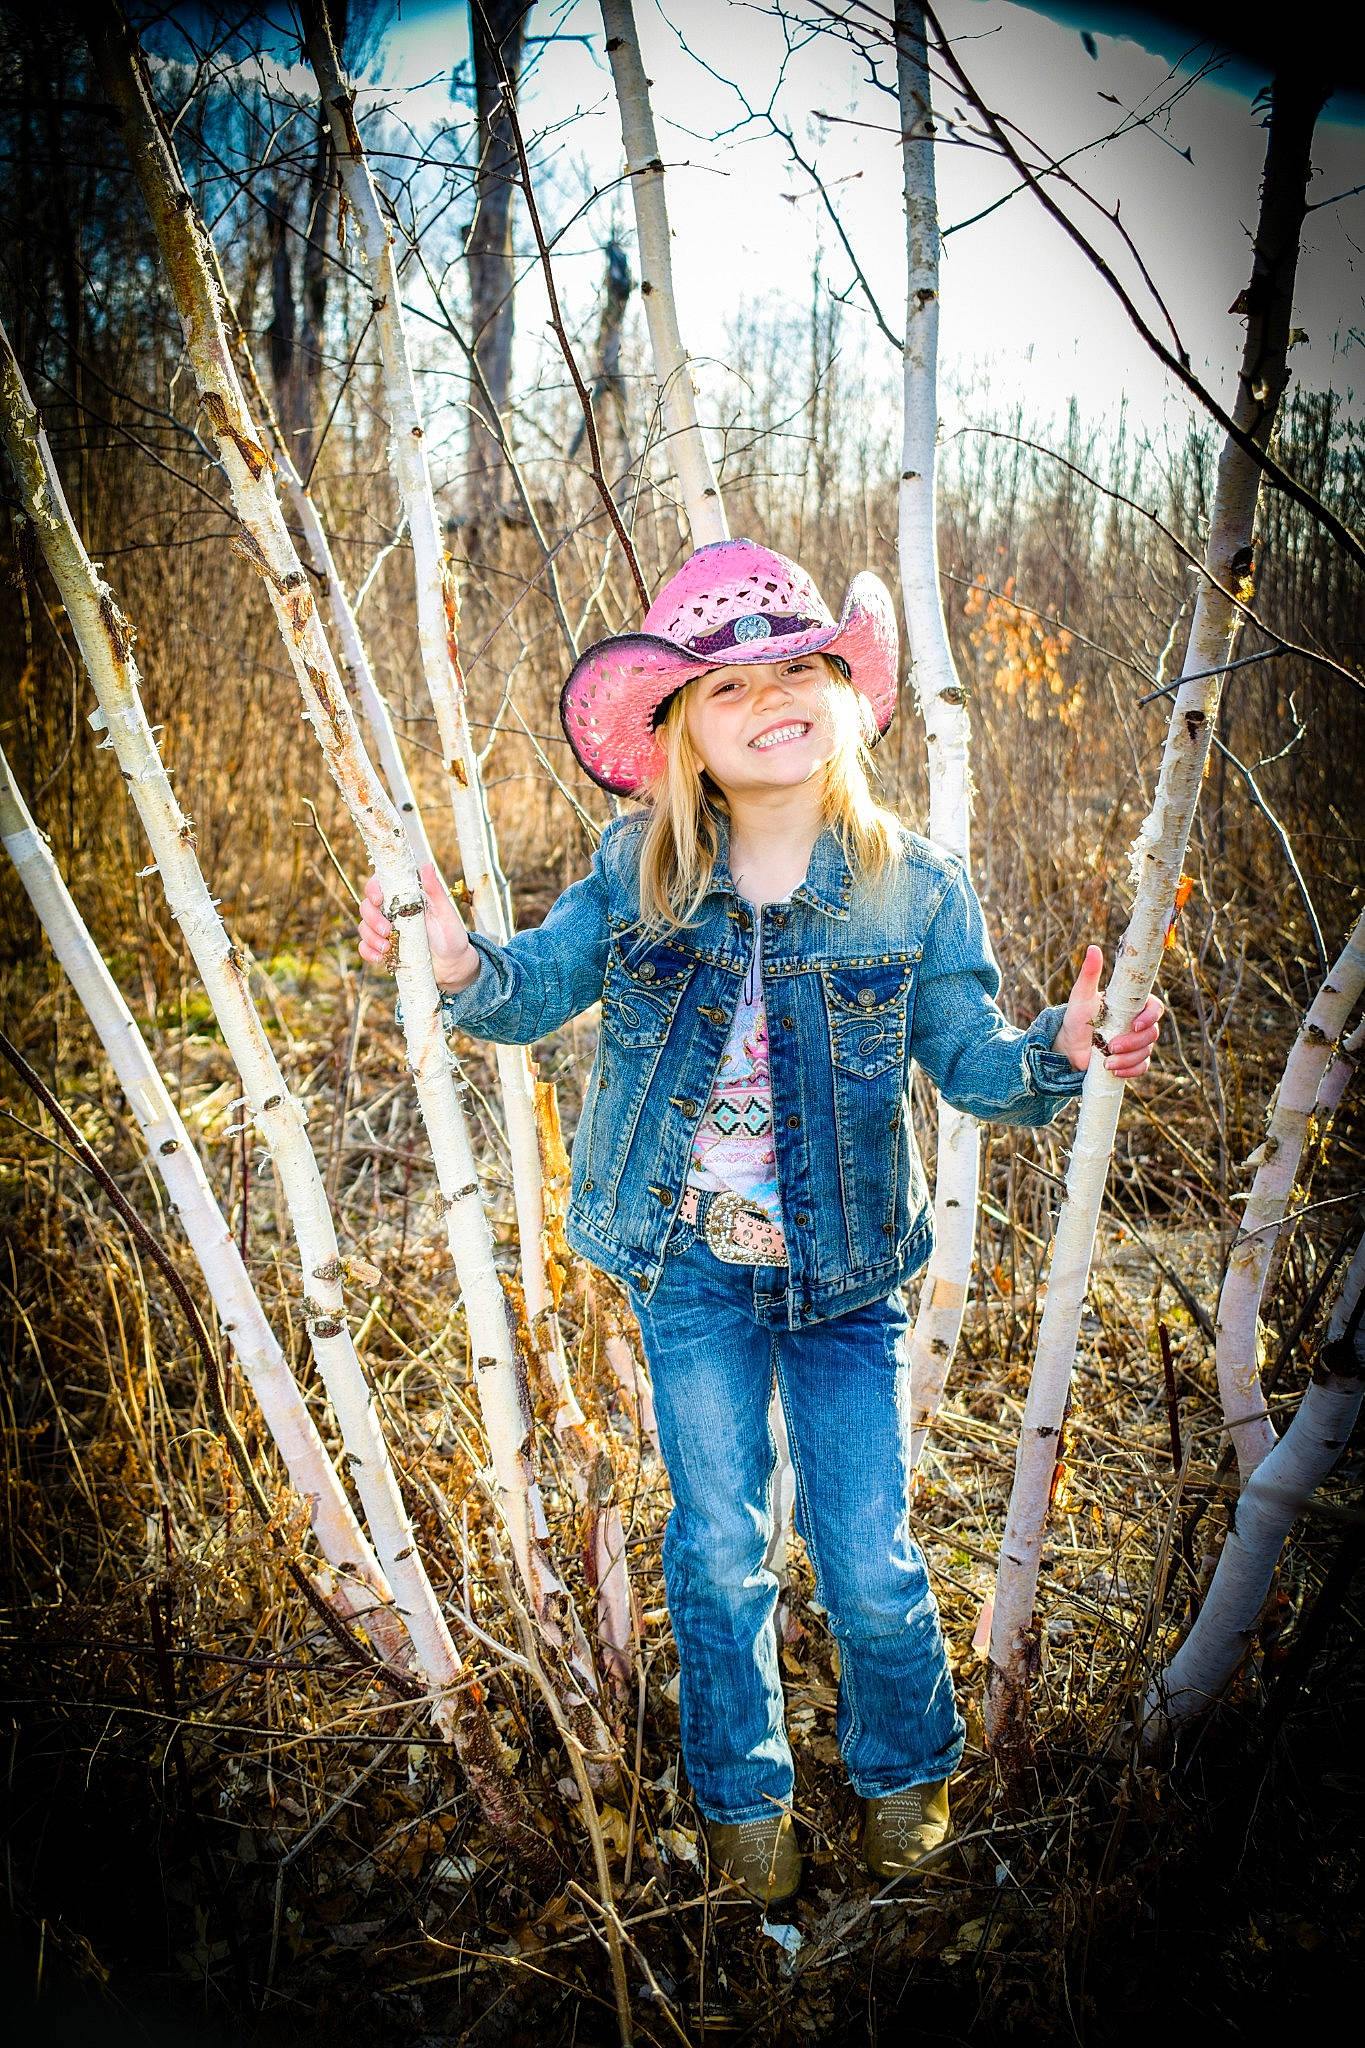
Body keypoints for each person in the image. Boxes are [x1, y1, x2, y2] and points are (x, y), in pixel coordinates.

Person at [357, 540, 1162, 1907]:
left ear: (846, 694)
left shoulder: (914, 885)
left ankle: (905, 1780)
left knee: (864, 1553)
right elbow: (532, 987)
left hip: (846, 1281)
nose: (772, 699)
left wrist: (1053, 1052)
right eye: (730, 689)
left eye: (800, 670)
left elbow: (965, 1057)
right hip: (689, 1275)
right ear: (682, 736)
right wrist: (454, 965)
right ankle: (743, 1803)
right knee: (719, 1548)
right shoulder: (637, 868)